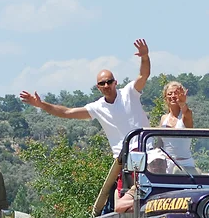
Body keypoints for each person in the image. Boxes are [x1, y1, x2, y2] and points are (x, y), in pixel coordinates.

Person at [19, 39, 151, 159]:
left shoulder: (129, 92)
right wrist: (41, 105)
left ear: (115, 82)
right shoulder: (97, 108)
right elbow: (66, 112)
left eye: (109, 82)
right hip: (123, 159)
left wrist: (144, 57)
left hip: (148, 151)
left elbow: (143, 75)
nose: (106, 85)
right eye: (102, 83)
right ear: (97, 87)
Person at [115, 149, 169, 213]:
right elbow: (119, 206)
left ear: (165, 164)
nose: (157, 167)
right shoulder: (142, 187)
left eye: (160, 163)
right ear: (147, 166)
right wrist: (145, 202)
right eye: (153, 164)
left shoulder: (174, 182)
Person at [159, 81, 196, 173]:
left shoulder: (185, 116)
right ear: (165, 98)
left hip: (185, 166)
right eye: (169, 94)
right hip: (166, 165)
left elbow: (186, 112)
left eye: (176, 93)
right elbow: (159, 144)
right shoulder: (164, 119)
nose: (173, 96)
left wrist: (182, 103)